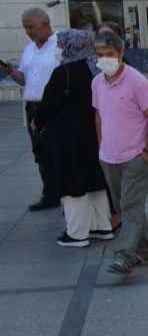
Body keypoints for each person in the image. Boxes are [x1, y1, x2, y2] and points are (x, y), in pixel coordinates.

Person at [31, 30, 113, 247]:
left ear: (70, 46)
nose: (58, 48)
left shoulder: (64, 72)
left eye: (60, 44)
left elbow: (48, 105)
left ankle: (77, 233)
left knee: (71, 180)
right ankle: (101, 226)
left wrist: (36, 122)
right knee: (96, 179)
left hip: (68, 136)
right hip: (96, 132)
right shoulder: (98, 67)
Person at [91, 30, 148, 275]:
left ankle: (125, 255)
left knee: (130, 206)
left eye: (109, 54)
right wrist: (102, 147)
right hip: (109, 157)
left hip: (135, 157)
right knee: (127, 206)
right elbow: (99, 115)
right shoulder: (97, 82)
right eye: (100, 55)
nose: (104, 59)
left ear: (121, 53)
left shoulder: (137, 82)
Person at [2, 8, 61, 211]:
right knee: (40, 153)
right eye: (25, 27)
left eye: (31, 27)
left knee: (59, 151)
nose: (28, 31)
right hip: (32, 107)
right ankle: (50, 195)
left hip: (54, 107)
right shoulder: (29, 49)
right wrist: (11, 72)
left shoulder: (59, 45)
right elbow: (24, 80)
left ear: (45, 24)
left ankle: (68, 195)